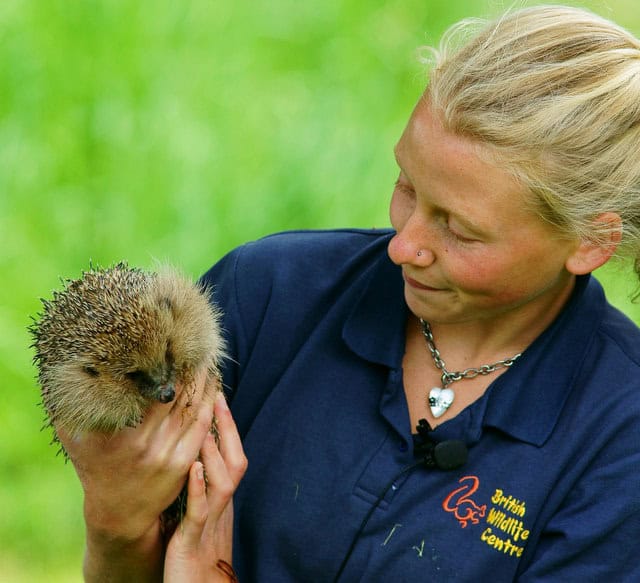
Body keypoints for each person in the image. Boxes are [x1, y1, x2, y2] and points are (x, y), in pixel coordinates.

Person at [57, 4, 640, 581]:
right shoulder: (265, 294)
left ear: (590, 242)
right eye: (406, 186)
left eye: (460, 229)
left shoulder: (621, 436)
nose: (402, 245)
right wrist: (116, 522)